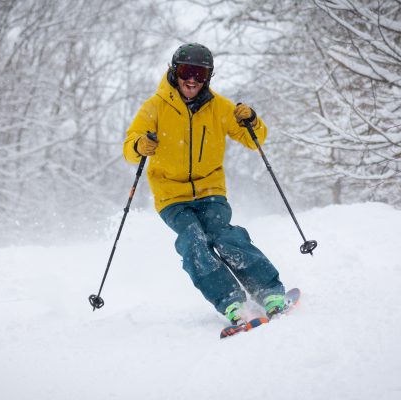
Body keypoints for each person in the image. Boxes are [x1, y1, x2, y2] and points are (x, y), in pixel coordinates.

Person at [123, 43, 287, 325]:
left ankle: (268, 291)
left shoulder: (220, 108)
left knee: (223, 235)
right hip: (171, 196)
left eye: (201, 74)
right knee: (193, 242)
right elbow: (129, 148)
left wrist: (251, 121)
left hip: (211, 192)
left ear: (208, 77)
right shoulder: (155, 107)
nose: (192, 80)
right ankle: (231, 301)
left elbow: (253, 139)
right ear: (174, 71)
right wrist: (140, 144)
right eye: (187, 71)